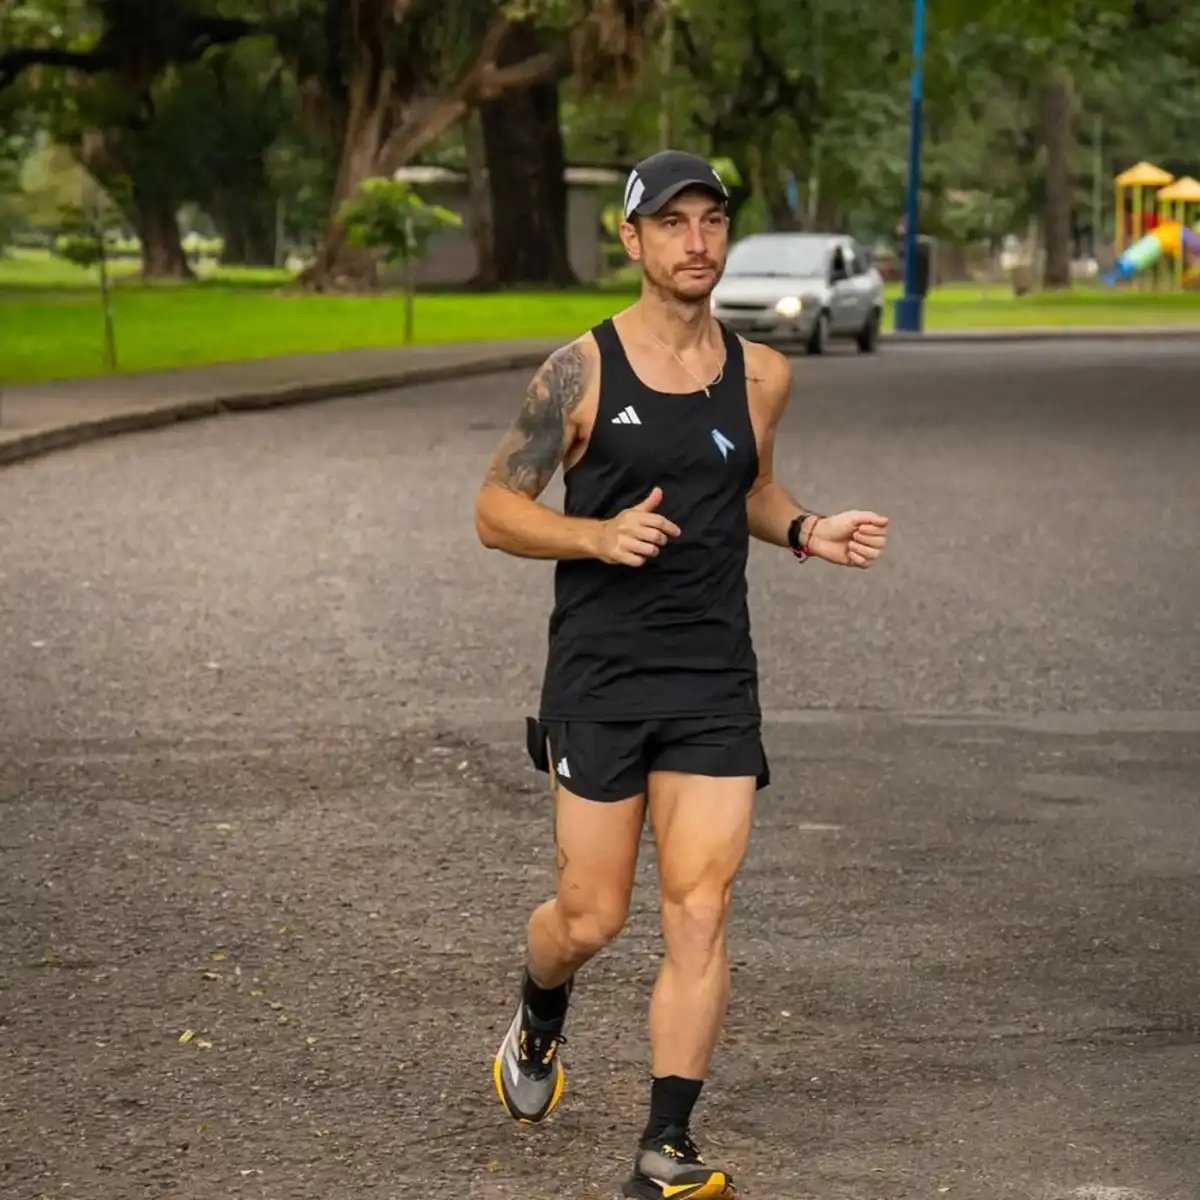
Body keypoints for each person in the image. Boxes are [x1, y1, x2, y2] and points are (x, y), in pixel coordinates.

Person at [473, 148, 890, 1199]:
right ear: (635, 241)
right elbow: (495, 510)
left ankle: (665, 1144)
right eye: (673, 225)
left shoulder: (762, 373)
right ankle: (539, 1006)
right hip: (602, 679)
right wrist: (594, 537)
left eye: (710, 222)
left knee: (699, 906)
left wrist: (803, 526)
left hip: (712, 677)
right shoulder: (578, 371)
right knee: (590, 918)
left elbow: (741, 484)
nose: (695, 242)